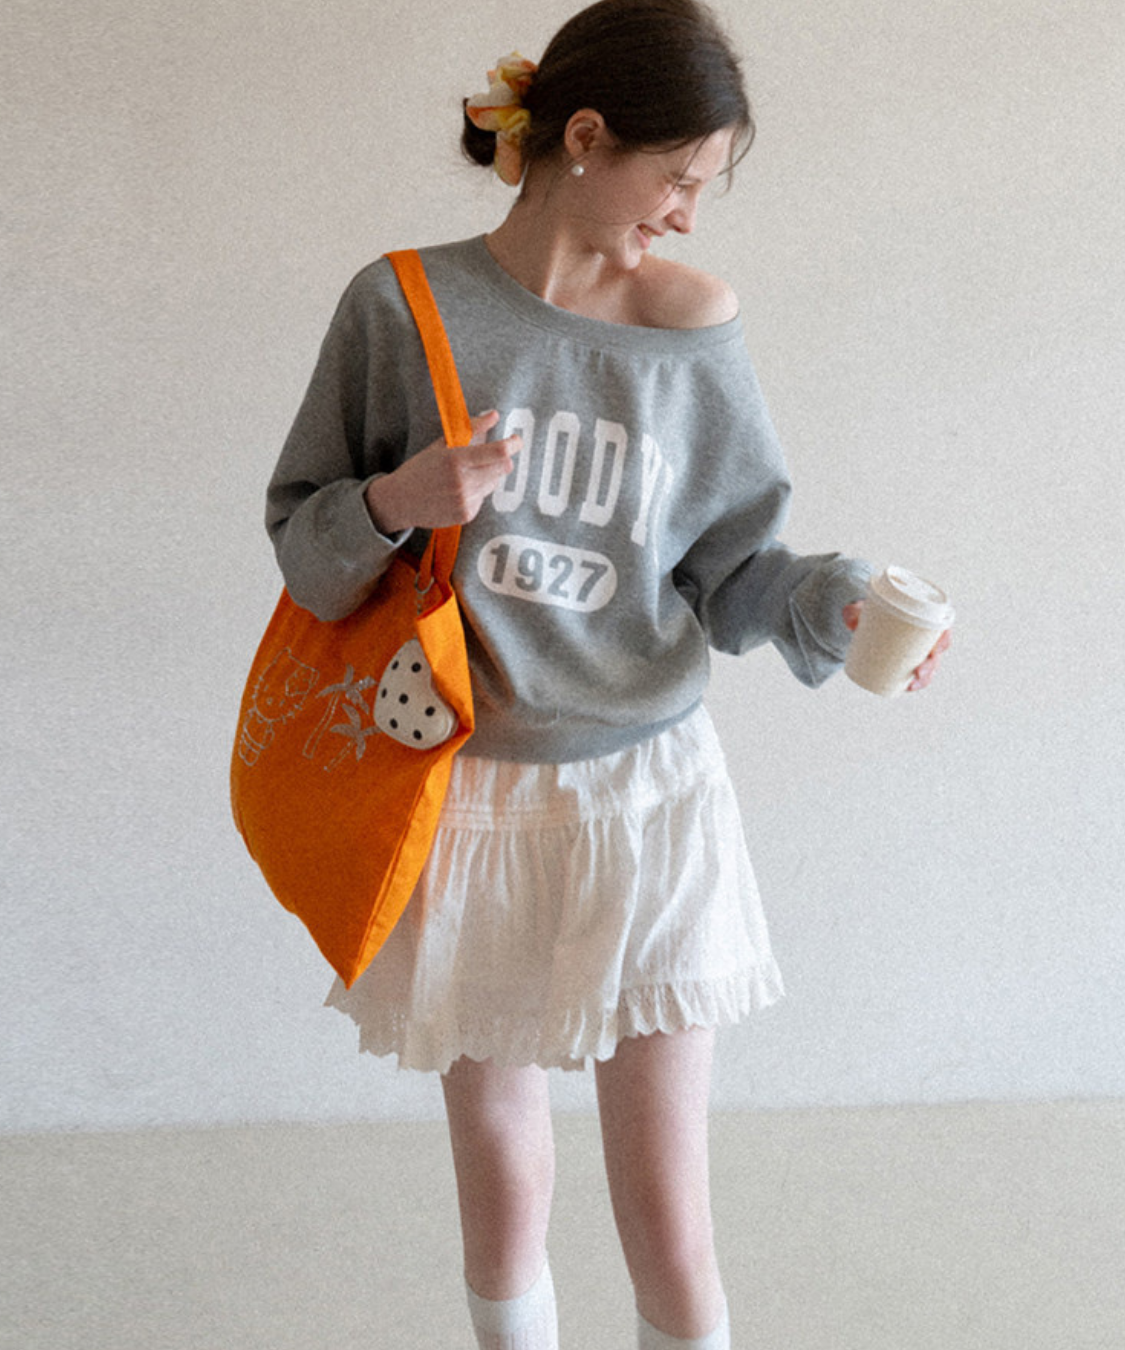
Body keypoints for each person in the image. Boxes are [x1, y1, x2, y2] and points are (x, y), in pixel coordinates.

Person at [264, 2, 950, 1346]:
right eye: (679, 177)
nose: (688, 215)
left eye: (705, 188)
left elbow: (733, 570)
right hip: (464, 793)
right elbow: (306, 548)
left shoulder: (693, 327)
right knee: (503, 1184)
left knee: (667, 1206)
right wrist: (401, 498)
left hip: (647, 797)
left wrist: (838, 601)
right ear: (584, 137)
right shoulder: (400, 308)